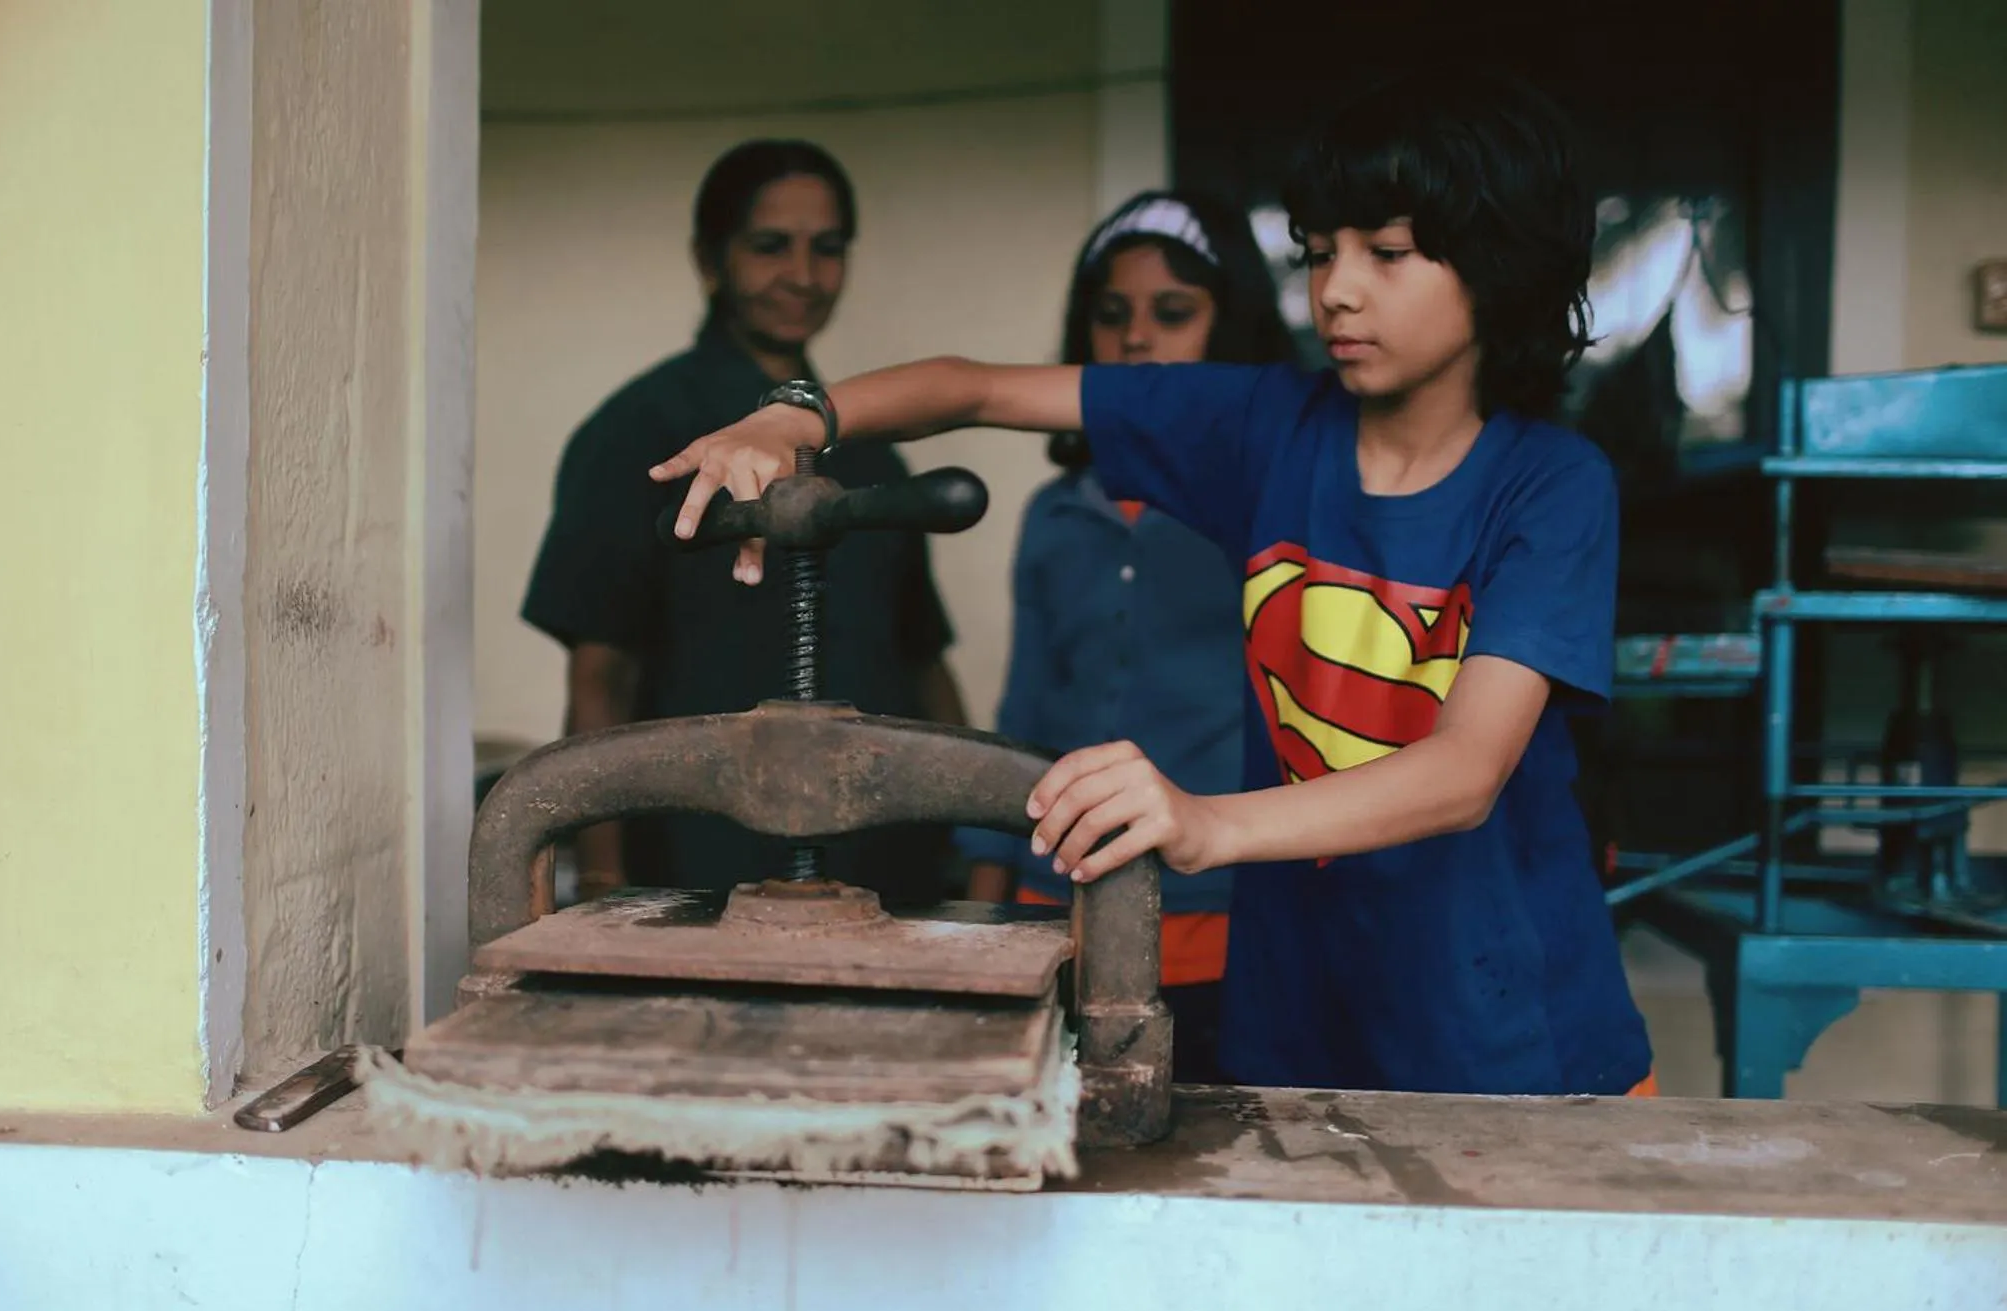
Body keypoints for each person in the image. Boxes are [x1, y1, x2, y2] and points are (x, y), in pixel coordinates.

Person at [647, 67, 1658, 1097]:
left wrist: (1207, 823)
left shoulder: (1549, 485)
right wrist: (791, 418)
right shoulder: (1270, 426)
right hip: (1299, 1020)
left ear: (1499, 264)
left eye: (1385, 253)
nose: (1335, 289)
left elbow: (1463, 775)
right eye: (1317, 253)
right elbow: (980, 387)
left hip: (1509, 1035)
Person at [520, 138, 967, 906]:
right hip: (699, 867)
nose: (802, 275)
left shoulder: (869, 447)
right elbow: (599, 674)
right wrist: (602, 878)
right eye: (771, 247)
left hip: (889, 868)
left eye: (827, 249)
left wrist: (968, 838)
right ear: (710, 259)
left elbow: (922, 660)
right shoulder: (640, 431)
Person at [957, 190, 1294, 1083]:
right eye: (1113, 317)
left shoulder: (1271, 507)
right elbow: (1022, 707)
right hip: (1058, 902)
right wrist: (981, 912)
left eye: (1173, 314)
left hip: (1221, 912)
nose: (1138, 339)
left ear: (1230, 331)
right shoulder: (1053, 515)